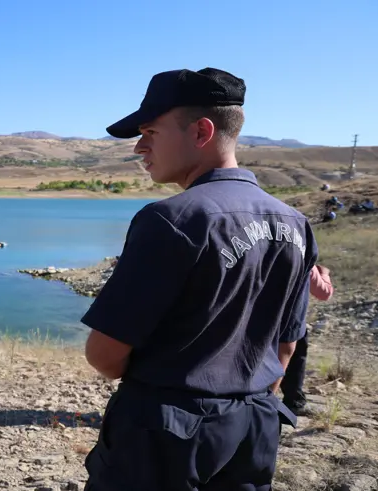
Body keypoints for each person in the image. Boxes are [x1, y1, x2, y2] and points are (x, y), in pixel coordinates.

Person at [80, 67, 318, 491]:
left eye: (151, 132)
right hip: (255, 426)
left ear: (202, 132)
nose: (139, 147)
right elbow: (287, 344)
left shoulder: (173, 219)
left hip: (165, 431)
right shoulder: (295, 223)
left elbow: (105, 354)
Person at [280, 264, 334, 415]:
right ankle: (293, 402)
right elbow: (324, 293)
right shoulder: (303, 253)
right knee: (295, 359)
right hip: (291, 320)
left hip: (257, 320)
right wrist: (324, 274)